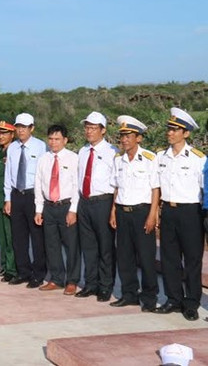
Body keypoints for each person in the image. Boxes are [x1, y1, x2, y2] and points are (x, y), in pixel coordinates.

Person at [153, 107, 205, 321]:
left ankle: (191, 303)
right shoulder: (160, 156)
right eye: (169, 128)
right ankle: (173, 298)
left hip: (190, 212)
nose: (170, 132)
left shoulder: (198, 158)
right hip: (168, 211)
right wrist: (156, 212)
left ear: (186, 133)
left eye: (176, 129)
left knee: (192, 260)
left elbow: (204, 188)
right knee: (169, 258)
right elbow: (156, 186)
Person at [108, 115, 159, 312]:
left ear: (139, 138)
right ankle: (129, 294)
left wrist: (152, 215)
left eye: (129, 136)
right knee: (125, 256)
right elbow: (116, 188)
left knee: (146, 257)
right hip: (122, 211)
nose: (124, 139)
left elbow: (156, 189)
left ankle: (149, 297)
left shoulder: (149, 159)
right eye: (122, 136)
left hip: (141, 212)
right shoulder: (118, 160)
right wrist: (113, 211)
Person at [75, 111, 118, 302]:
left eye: (93, 128)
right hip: (85, 202)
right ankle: (90, 284)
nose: (89, 131)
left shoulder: (112, 152)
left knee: (105, 248)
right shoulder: (83, 151)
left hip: (103, 202)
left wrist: (113, 209)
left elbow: (116, 183)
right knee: (88, 247)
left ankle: (105, 286)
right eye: (87, 128)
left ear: (103, 130)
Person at [33, 124, 81, 294]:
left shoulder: (73, 158)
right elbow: (38, 184)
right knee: (51, 245)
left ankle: (72, 280)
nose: (53, 142)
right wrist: (39, 210)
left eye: (57, 139)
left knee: (71, 245)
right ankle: (56, 279)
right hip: (48, 206)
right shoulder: (43, 158)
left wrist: (73, 210)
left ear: (65, 140)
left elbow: (77, 186)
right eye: (51, 139)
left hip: (66, 205)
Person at [4, 113, 48, 288]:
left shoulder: (40, 146)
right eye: (18, 127)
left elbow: (43, 174)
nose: (20, 130)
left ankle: (38, 274)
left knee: (37, 237)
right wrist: (8, 198)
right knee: (19, 237)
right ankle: (23, 271)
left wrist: (40, 202)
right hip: (16, 194)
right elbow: (9, 175)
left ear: (32, 128)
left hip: (33, 195)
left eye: (24, 127)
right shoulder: (12, 148)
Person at [0, 119, 17, 282]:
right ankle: (4, 265)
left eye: (5, 133)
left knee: (11, 236)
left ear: (12, 134)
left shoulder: (15, 151)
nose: (1, 136)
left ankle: (12, 268)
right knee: (1, 236)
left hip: (11, 200)